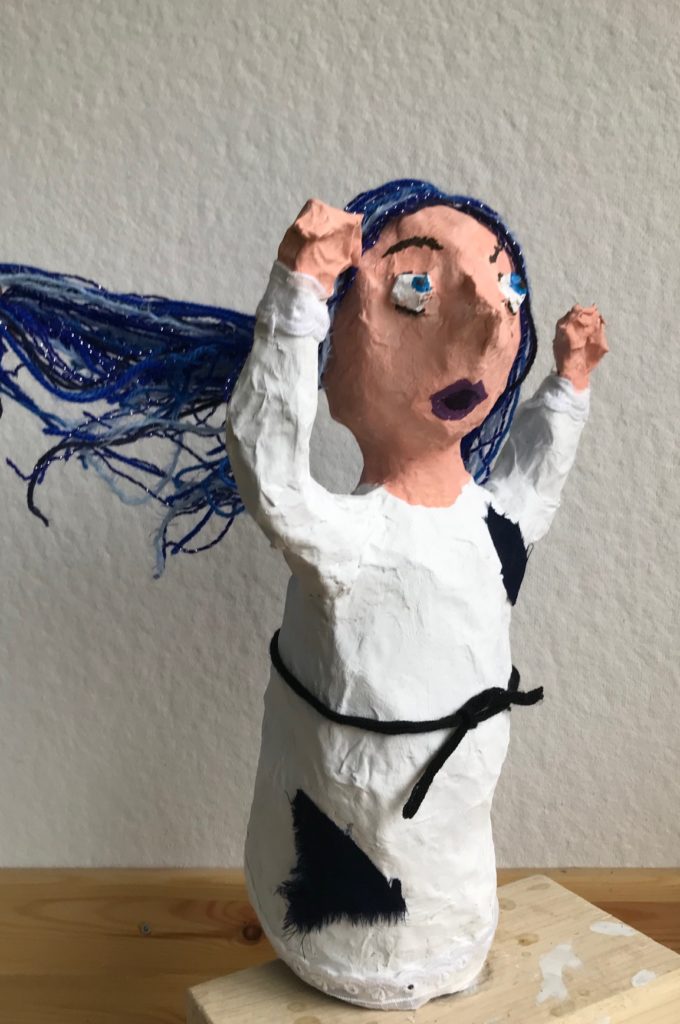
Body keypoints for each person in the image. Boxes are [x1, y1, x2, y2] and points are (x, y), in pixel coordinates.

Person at [0, 179, 608, 1010]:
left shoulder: (492, 530)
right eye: (415, 288)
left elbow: (536, 480)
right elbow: (272, 472)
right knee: (355, 875)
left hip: (459, 888)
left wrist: (569, 387)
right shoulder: (353, 542)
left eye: (508, 286)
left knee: (446, 870)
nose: (491, 323)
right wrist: (298, 298)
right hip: (339, 883)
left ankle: (441, 931)